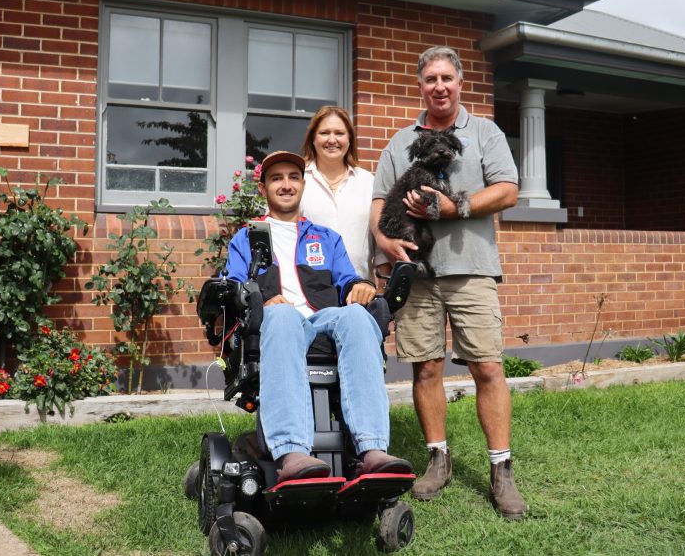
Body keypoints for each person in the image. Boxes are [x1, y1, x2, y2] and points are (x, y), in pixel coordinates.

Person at [370, 46, 527, 519]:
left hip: (471, 268)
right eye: (430, 79)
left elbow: (508, 190)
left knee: (487, 367)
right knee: (426, 368)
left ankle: (501, 469)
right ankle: (438, 458)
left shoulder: (483, 132)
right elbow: (380, 203)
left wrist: (458, 207)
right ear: (420, 86)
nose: (439, 86)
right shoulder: (401, 142)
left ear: (459, 84)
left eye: (447, 78)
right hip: (416, 271)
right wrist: (384, 241)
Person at [225, 150, 412, 483]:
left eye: (293, 177)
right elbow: (234, 286)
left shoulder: (326, 238)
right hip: (277, 322)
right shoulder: (247, 238)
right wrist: (262, 301)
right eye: (276, 178)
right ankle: (291, 451)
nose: (286, 185)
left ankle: (371, 449)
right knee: (282, 316)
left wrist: (360, 288)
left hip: (322, 321)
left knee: (356, 316)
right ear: (265, 188)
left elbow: (347, 281)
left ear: (302, 185)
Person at [300, 106, 377, 279]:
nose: (332, 139)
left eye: (340, 133)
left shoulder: (368, 182)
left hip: (358, 290)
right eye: (324, 133)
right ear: (313, 138)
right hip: (308, 291)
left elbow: (380, 236)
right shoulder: (296, 181)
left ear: (350, 139)